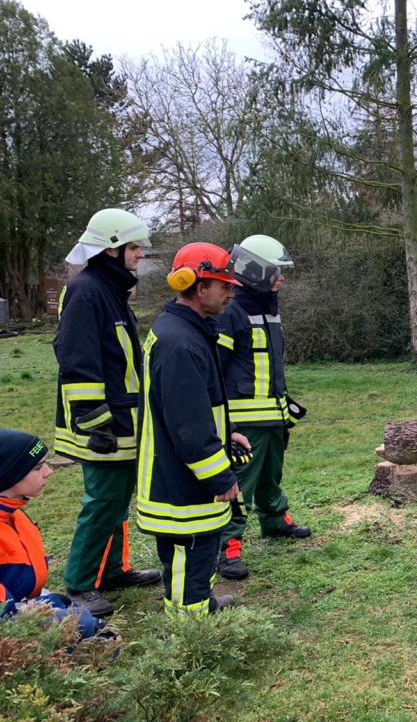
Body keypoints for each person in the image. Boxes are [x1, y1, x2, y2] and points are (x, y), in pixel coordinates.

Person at [53, 209, 161, 618]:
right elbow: (76, 360)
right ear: (111, 249)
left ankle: (112, 571)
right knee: (102, 501)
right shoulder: (86, 291)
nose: (139, 255)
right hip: (100, 423)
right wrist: (95, 420)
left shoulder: (107, 288)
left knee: (116, 500)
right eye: (133, 247)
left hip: (121, 418)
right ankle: (80, 584)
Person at [136, 242, 250, 615]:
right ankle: (192, 631)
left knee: (196, 556)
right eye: (224, 286)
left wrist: (226, 432)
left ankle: (200, 603)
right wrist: (220, 476)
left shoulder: (186, 331)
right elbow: (186, 425)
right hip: (181, 480)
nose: (231, 293)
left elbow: (199, 403)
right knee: (190, 549)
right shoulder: (180, 342)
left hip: (183, 471)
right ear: (201, 288)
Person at [214, 235, 310, 580]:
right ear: (255, 270)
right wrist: (226, 425)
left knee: (271, 476)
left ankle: (275, 521)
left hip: (273, 415)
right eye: (275, 271)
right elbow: (216, 370)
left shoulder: (268, 306)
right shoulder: (230, 311)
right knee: (240, 486)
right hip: (244, 422)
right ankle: (227, 548)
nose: (281, 278)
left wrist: (284, 408)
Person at [0, 429, 105, 639]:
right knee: (85, 626)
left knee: (81, 619)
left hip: (24, 606)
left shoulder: (15, 515)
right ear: (8, 475)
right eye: (38, 467)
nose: (49, 472)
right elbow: (5, 616)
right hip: (11, 624)